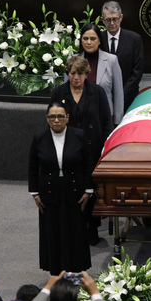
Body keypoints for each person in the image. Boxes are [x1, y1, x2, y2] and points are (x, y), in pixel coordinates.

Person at [50, 56, 114, 245]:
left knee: (90, 189)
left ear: (87, 74)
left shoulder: (98, 92)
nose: (75, 77)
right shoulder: (58, 92)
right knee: (70, 189)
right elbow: (52, 120)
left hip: (92, 148)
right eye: (72, 73)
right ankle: (73, 230)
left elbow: (106, 121)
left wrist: (106, 147)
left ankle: (92, 230)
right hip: (67, 149)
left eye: (79, 73)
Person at [28, 102, 94, 274]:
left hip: (74, 192)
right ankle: (56, 272)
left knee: (75, 231)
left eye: (60, 116)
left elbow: (88, 164)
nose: (56, 120)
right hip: (49, 193)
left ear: (67, 118)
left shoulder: (79, 135)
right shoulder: (39, 137)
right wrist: (35, 194)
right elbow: (33, 167)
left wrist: (88, 190)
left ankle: (77, 271)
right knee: (53, 231)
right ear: (47, 118)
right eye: (52, 117)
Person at [74, 24, 124, 125]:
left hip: (104, 119)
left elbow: (118, 93)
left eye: (93, 39)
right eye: (85, 38)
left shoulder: (111, 60)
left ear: (99, 41)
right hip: (78, 118)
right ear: (81, 40)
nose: (89, 42)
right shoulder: (72, 60)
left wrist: (117, 122)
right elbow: (67, 91)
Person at [100, 1, 144, 112]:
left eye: (115, 19)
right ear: (102, 20)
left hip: (128, 96)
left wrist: (121, 94)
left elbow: (137, 70)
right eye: (108, 20)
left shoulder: (134, 39)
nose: (112, 23)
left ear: (121, 17)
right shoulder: (98, 39)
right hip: (103, 97)